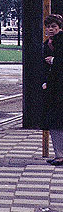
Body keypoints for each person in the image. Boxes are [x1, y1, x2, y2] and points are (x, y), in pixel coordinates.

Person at [43, 14, 63, 165]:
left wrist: (54, 60)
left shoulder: (60, 41)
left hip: (59, 88)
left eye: (54, 27)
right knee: (55, 122)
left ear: (59, 28)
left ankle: (60, 155)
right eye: (49, 27)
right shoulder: (47, 43)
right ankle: (59, 154)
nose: (50, 29)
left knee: (57, 121)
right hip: (53, 88)